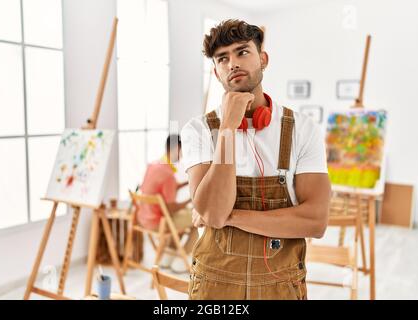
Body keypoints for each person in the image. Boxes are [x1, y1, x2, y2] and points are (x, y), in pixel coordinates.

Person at [181, 19, 331, 299]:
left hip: (281, 286)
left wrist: (231, 217)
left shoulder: (302, 128)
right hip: (214, 285)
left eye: (242, 52)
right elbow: (213, 212)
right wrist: (227, 128)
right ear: (216, 72)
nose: (233, 63)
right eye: (222, 58)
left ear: (263, 58)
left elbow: (316, 221)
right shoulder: (198, 130)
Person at [137, 134, 198, 273]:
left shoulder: (153, 165)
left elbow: (164, 189)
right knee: (198, 218)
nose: (182, 156)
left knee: (183, 218)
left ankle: (167, 257)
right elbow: (171, 209)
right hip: (158, 223)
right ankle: (181, 260)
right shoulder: (168, 175)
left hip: (144, 218)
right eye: (182, 151)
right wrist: (191, 199)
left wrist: (187, 183)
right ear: (176, 149)